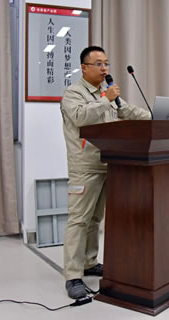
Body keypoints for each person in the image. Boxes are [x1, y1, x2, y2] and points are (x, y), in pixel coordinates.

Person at [60, 46, 151, 299]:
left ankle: (89, 262)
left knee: (95, 219)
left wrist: (155, 118)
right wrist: (105, 99)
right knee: (79, 220)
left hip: (108, 162)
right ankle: (73, 275)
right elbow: (80, 117)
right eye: (98, 64)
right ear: (84, 68)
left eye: (106, 63)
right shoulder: (73, 93)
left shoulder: (105, 92)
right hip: (85, 166)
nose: (104, 69)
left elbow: (126, 111)